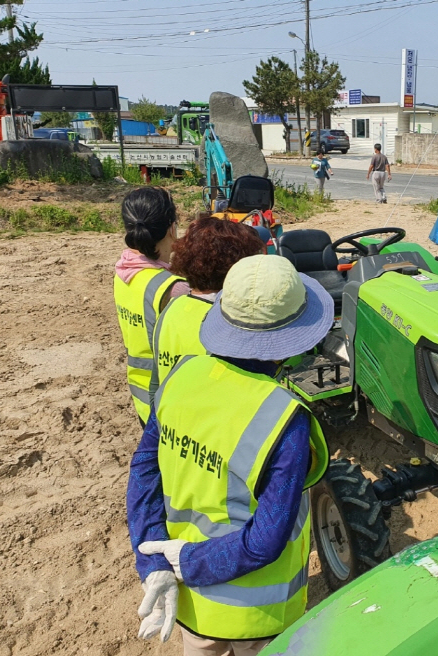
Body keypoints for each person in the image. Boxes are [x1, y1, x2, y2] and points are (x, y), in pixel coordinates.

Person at [126, 255, 333, 654]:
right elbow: (264, 542)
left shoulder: (181, 376)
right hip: (262, 617)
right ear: (293, 337)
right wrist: (188, 563)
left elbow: (144, 474)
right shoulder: (285, 419)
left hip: (193, 607)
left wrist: (156, 564)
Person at [149, 217, 265, 397]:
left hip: (171, 417)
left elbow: (155, 384)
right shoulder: (228, 323)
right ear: (235, 270)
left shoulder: (172, 309)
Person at [114, 187, 189, 426]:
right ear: (171, 228)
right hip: (170, 403)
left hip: (142, 397)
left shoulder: (124, 272)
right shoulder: (174, 289)